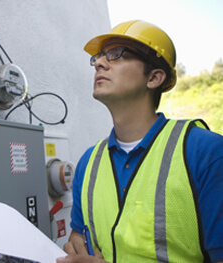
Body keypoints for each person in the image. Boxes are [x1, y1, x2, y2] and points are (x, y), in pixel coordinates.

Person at [56, 20, 223, 263]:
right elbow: (77, 243)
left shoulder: (205, 151)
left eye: (116, 54)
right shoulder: (88, 163)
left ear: (154, 77)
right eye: (98, 58)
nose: (99, 63)